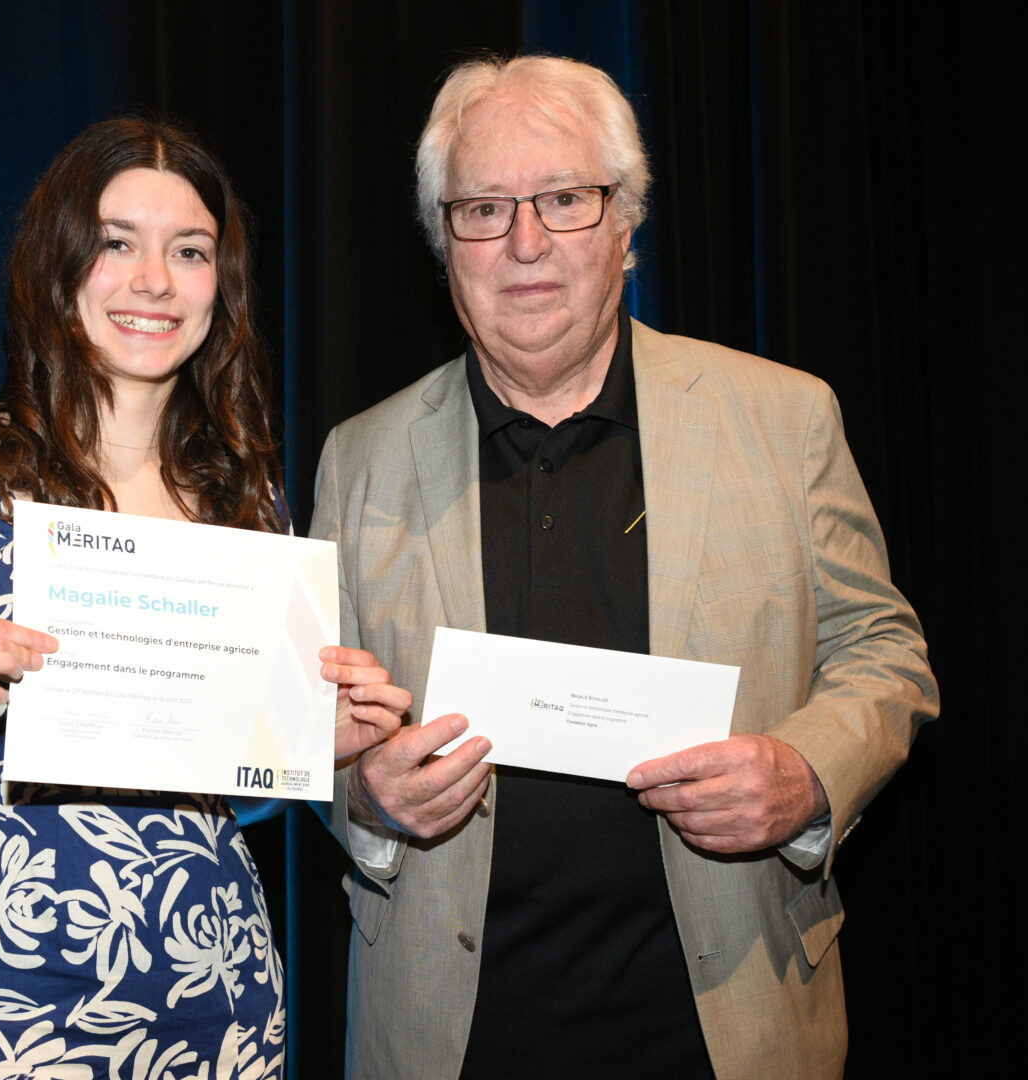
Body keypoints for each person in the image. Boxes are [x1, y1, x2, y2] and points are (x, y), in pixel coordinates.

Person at [309, 56, 938, 1079]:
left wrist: (806, 774)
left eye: (563, 199)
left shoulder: (785, 416)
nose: (524, 245)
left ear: (624, 226)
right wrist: (367, 796)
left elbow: (885, 648)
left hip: (729, 1026)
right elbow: (319, 727)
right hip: (452, 1037)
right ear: (444, 244)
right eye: (482, 209)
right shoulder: (361, 455)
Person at [0, 116, 408, 1079]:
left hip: (215, 995)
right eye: (116, 245)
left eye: (189, 251)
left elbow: (223, 798)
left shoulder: (248, 506)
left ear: (220, 288)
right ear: (58, 271)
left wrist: (312, 743)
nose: (154, 281)